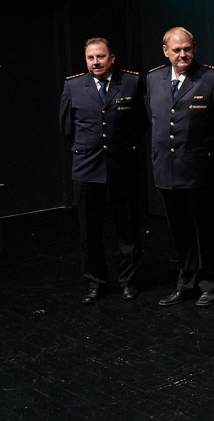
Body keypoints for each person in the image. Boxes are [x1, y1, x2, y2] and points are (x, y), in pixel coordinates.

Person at [146, 26, 214, 308]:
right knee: (180, 231)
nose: (182, 54)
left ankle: (210, 283)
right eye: (176, 50)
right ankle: (186, 283)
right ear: (166, 51)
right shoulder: (153, 78)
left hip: (199, 169)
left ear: (194, 48)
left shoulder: (212, 77)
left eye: (187, 49)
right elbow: (153, 118)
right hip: (166, 169)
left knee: (204, 229)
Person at [59, 38, 146, 303]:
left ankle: (128, 281)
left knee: (127, 228)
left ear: (112, 58)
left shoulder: (131, 82)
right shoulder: (73, 85)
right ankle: (95, 282)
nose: (95, 62)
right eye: (90, 58)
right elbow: (67, 127)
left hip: (122, 166)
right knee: (89, 230)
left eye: (100, 57)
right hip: (87, 167)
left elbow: (141, 121)